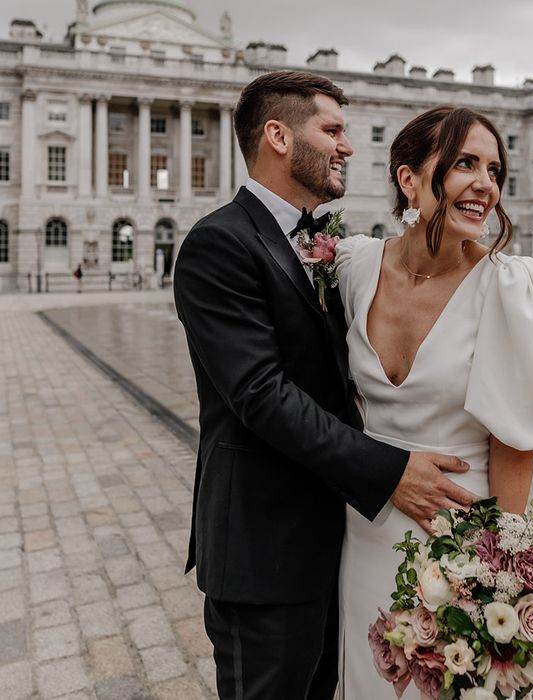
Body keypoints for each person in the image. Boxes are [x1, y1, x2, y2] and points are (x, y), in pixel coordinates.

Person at [172, 72, 476, 700]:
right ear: (278, 137)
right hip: (263, 549)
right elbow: (262, 395)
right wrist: (390, 469)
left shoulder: (320, 241)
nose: (347, 146)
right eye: (332, 130)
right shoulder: (219, 243)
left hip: (329, 541)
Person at [335, 106, 533, 698]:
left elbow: (515, 447)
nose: (486, 184)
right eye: (465, 163)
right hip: (362, 534)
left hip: (458, 546)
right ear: (408, 178)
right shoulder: (352, 266)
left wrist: (500, 583)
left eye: (495, 169)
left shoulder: (510, 287)